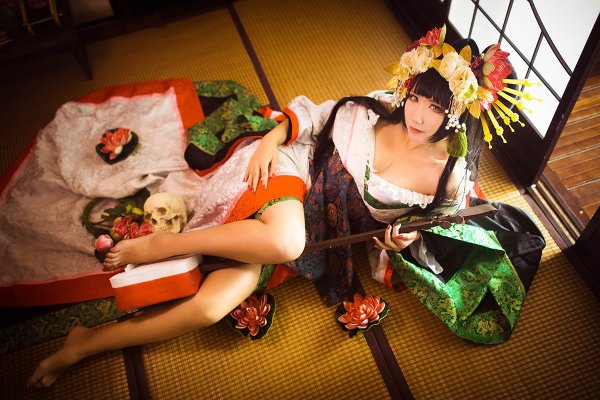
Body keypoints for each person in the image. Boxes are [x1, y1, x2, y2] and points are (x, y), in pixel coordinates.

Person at [28, 26, 544, 388]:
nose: (419, 115)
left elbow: (421, 232)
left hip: (316, 231)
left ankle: (85, 343)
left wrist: (401, 240)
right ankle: (162, 245)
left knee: (211, 307)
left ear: (455, 114)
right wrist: (272, 140)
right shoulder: (381, 107)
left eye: (435, 107)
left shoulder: (448, 178)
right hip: (293, 169)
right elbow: (316, 117)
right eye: (417, 98)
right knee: (286, 239)